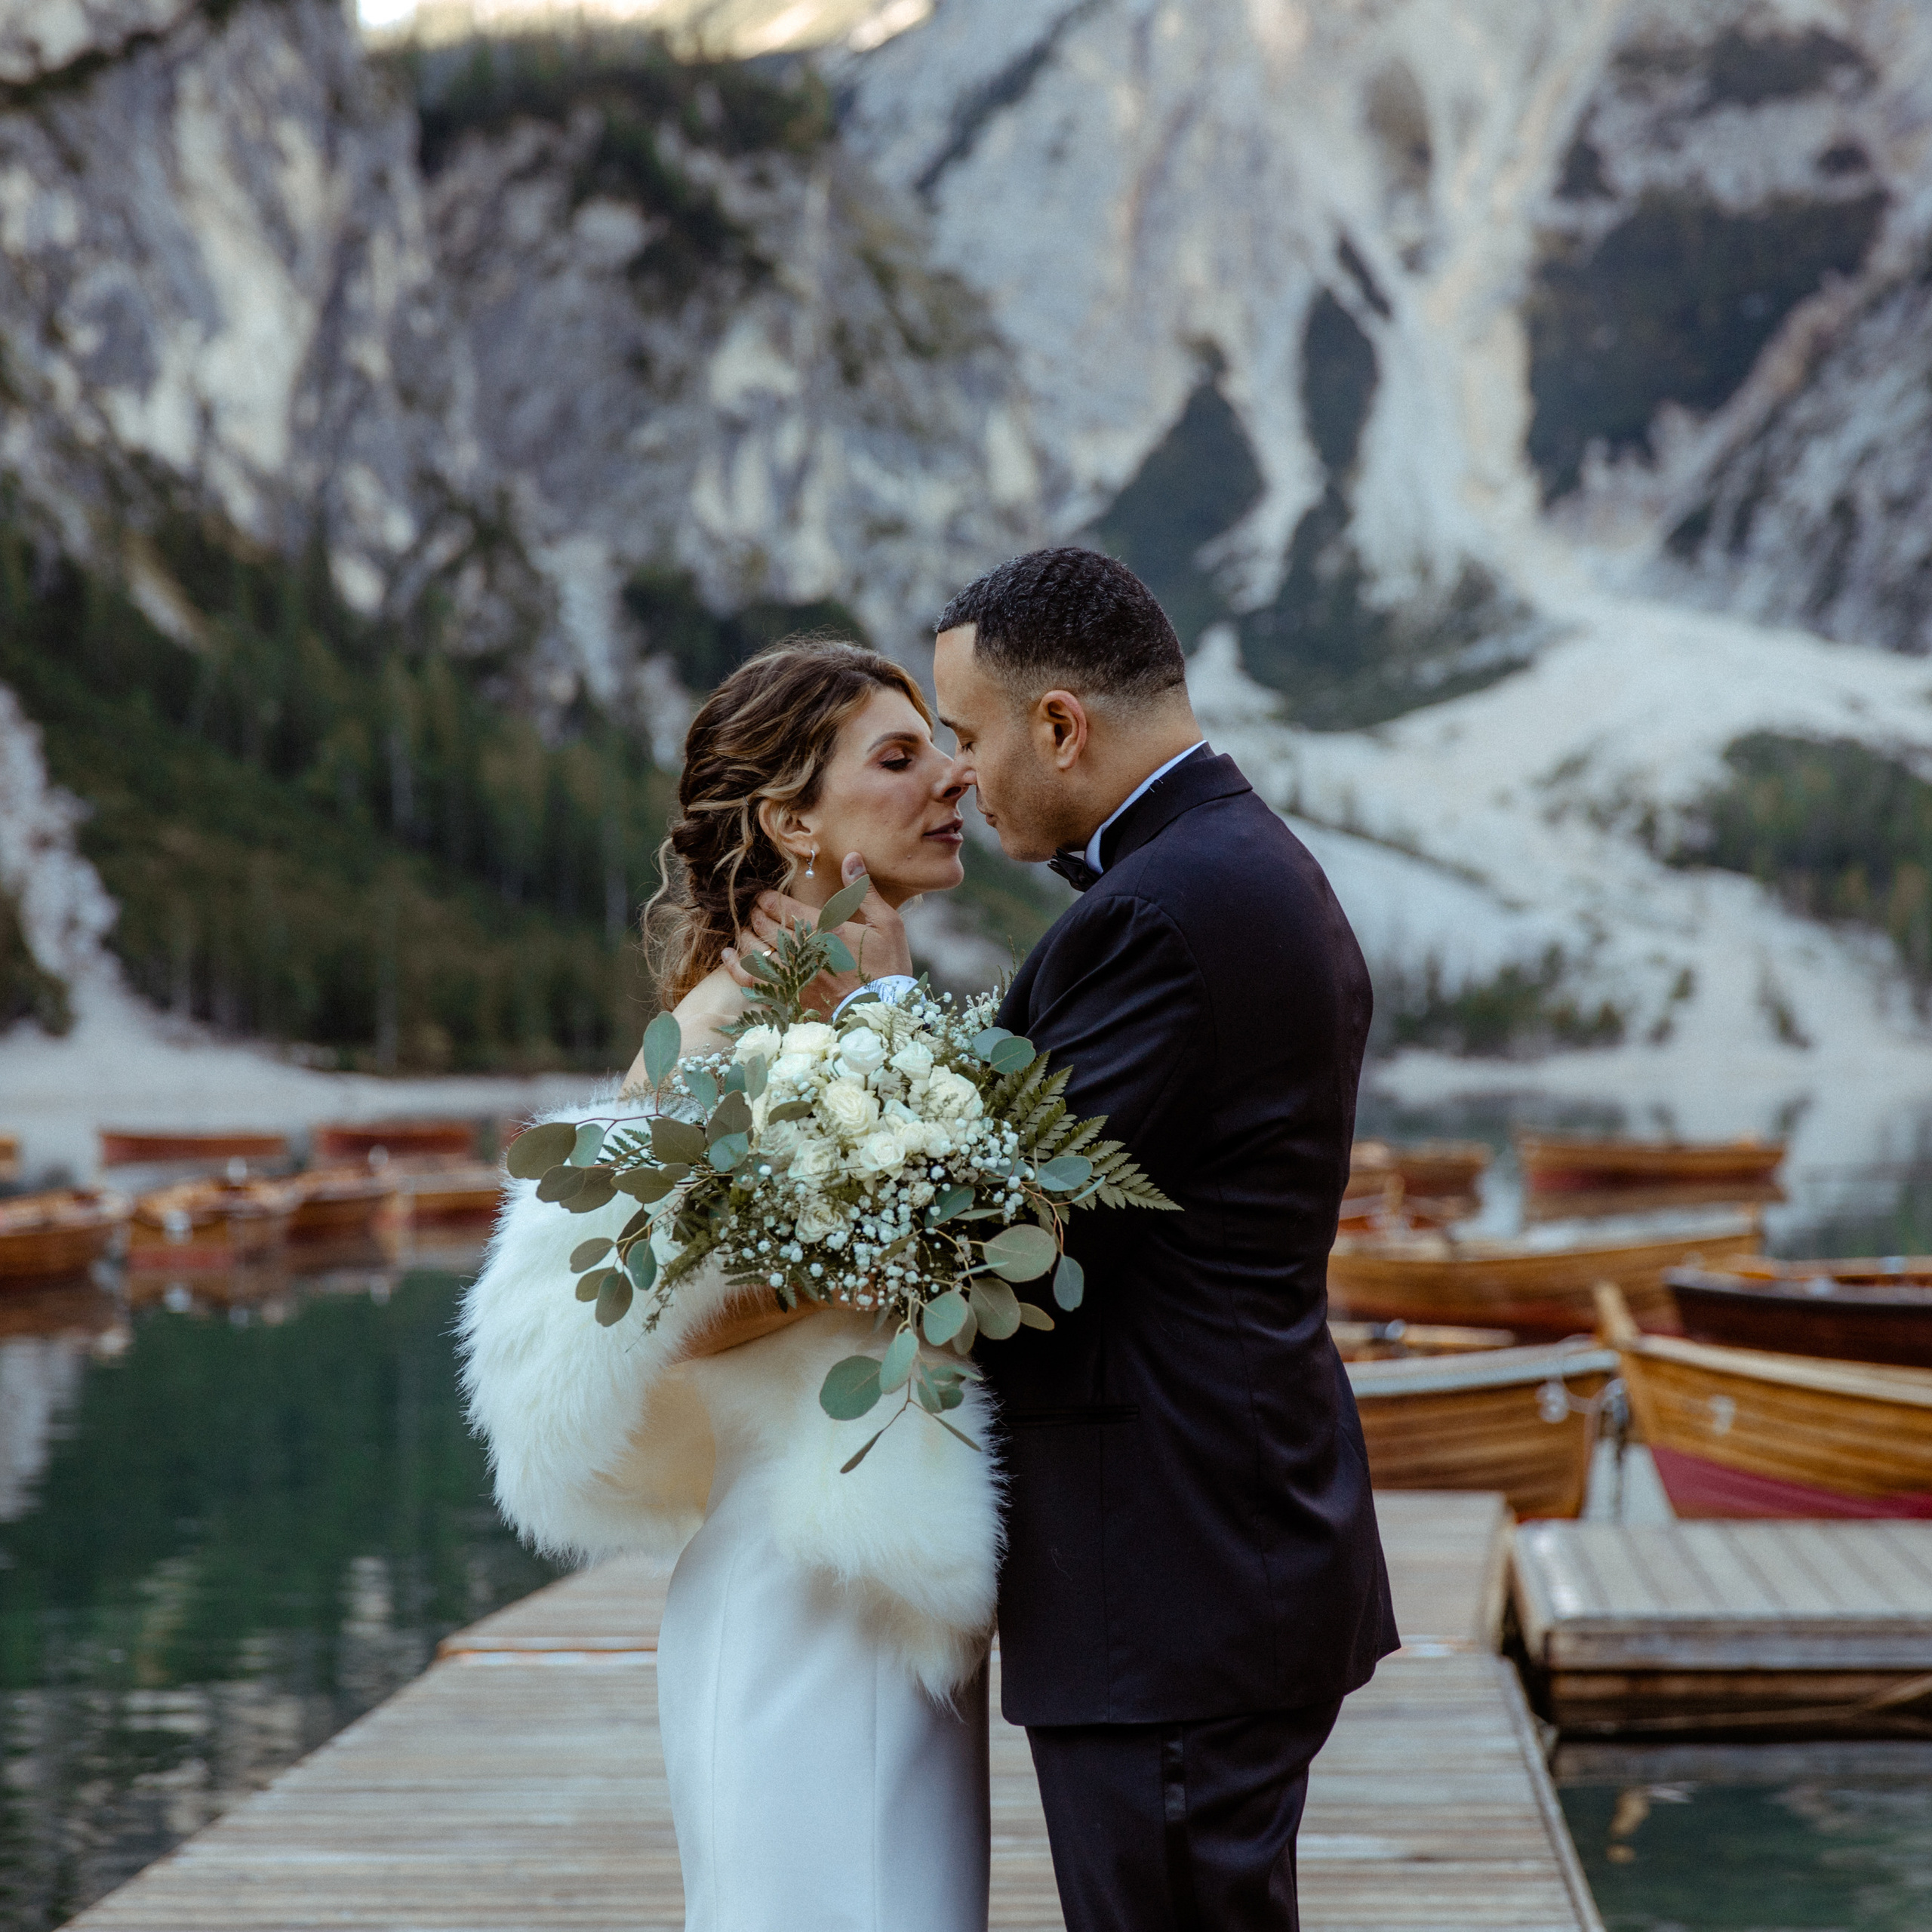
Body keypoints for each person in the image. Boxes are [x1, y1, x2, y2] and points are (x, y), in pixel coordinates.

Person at [459, 638, 1000, 1932]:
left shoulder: (873, 994)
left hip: (885, 1567)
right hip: (801, 1576)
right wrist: (908, 1231)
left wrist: (884, 1019)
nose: (955, 780)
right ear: (789, 821)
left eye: (942, 745)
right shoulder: (714, 1032)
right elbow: (666, 1320)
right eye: (900, 756)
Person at [931, 548, 1398, 1931]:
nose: (962, 775)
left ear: (1060, 724)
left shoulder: (1158, 914)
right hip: (1216, 1545)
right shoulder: (1230, 871)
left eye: (967, 737)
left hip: (1174, 1566)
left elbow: (1016, 1226)